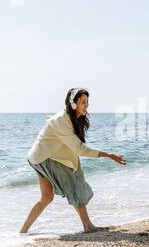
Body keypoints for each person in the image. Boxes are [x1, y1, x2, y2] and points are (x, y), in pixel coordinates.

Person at [20, 88, 126, 233]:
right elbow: (80, 149)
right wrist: (107, 154)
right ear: (73, 103)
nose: (86, 106)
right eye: (83, 102)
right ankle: (88, 226)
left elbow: (74, 147)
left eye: (87, 102)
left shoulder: (72, 117)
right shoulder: (60, 121)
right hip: (45, 158)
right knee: (74, 182)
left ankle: (22, 232)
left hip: (38, 157)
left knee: (47, 197)